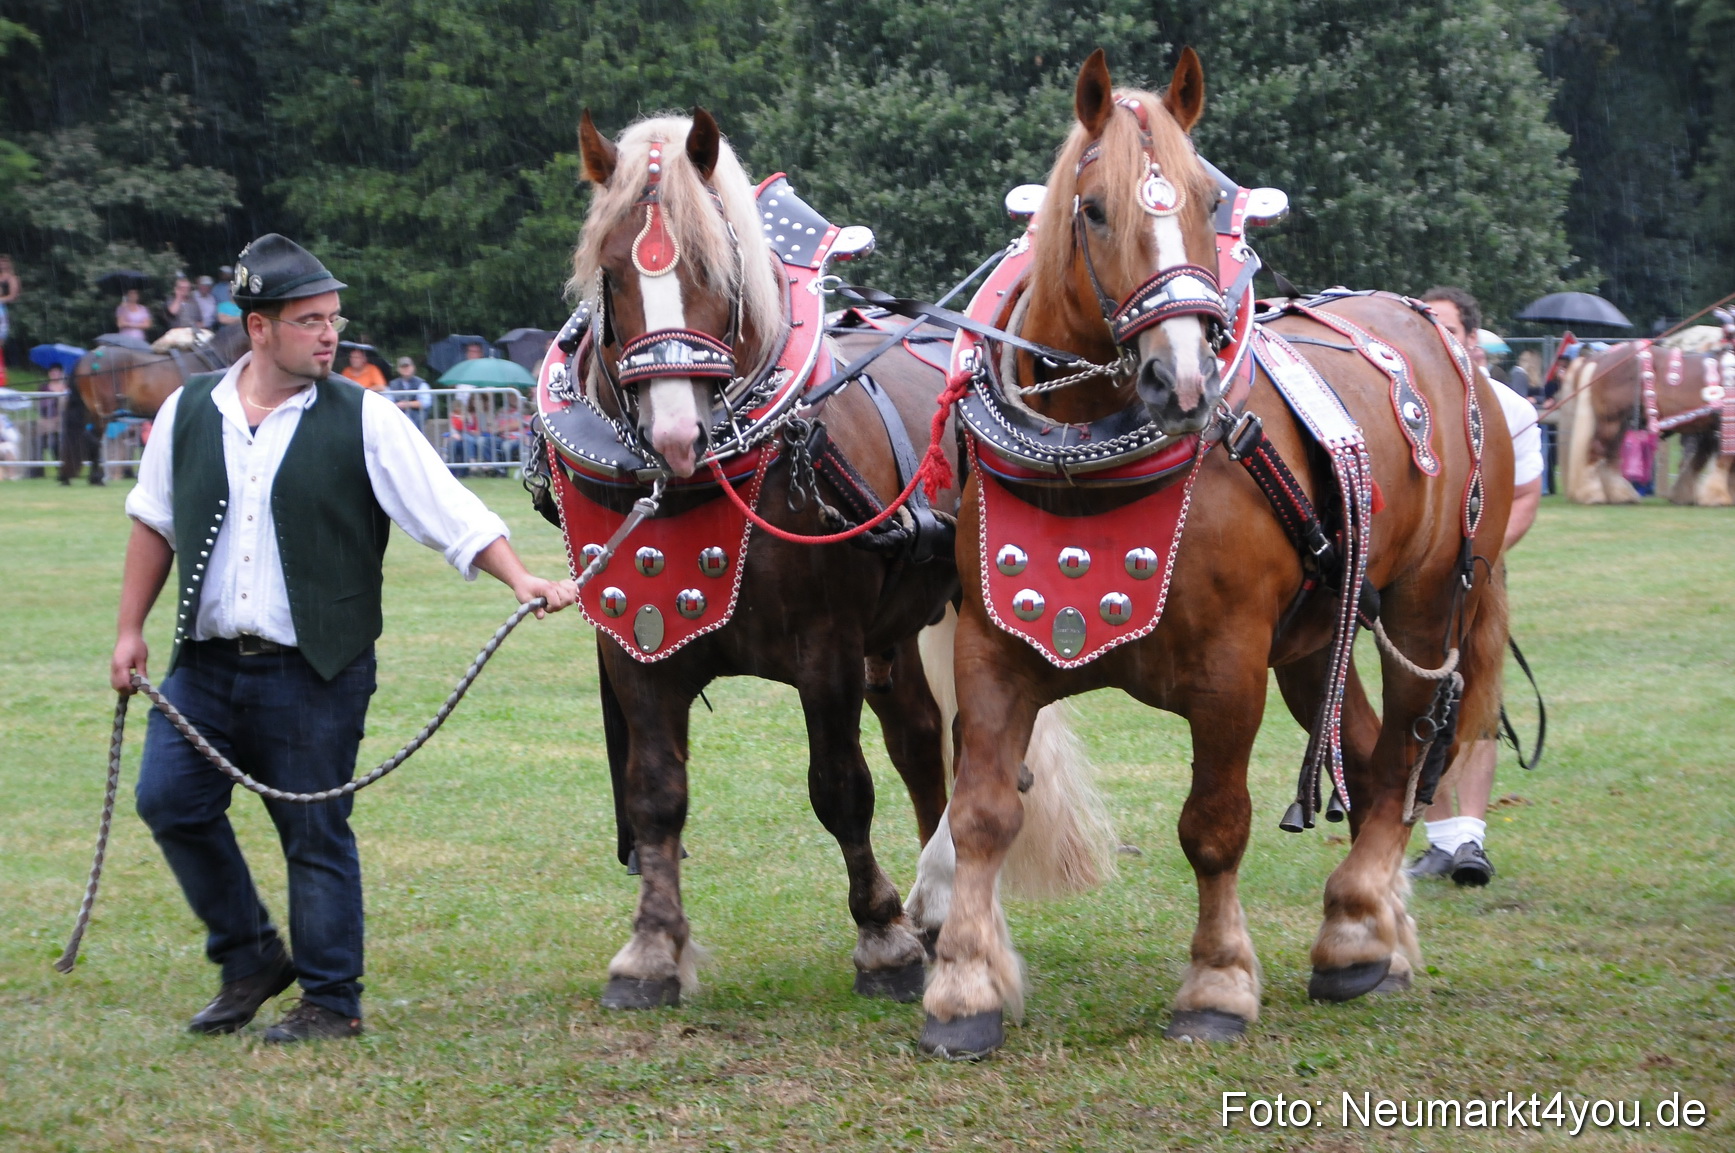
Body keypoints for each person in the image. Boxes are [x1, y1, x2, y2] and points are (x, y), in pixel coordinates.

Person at [110, 234, 577, 1043]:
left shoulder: (366, 416)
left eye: (333, 318)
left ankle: (332, 998)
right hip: (206, 664)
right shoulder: (188, 412)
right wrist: (128, 631)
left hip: (316, 669)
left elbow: (448, 509)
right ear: (258, 329)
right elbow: (154, 522)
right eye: (309, 320)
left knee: (314, 830)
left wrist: (522, 577)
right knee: (168, 801)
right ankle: (251, 955)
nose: (330, 334)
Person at [1407, 286, 1543, 886]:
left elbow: (1524, 500)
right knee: (1420, 703)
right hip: (1413, 578)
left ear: (1470, 338)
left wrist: (1479, 562)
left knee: (1479, 702)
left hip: (1480, 572)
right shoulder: (1402, 404)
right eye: (1426, 327)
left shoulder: (1510, 409)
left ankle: (1470, 840)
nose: (1437, 339)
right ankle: (1440, 840)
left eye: (1447, 328)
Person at [389, 356, 431, 427]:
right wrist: (397, 406)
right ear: (398, 369)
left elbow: (425, 402)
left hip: (416, 416)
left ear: (413, 368)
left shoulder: (421, 383)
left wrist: (406, 404)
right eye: (403, 367)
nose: (406, 369)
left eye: (408, 366)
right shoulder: (392, 384)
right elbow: (388, 401)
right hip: (397, 415)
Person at [0, 255, 18, 387]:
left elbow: (13, 296)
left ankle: (1, 374)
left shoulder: (12, 278)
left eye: (5, 262)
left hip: (2, 310)